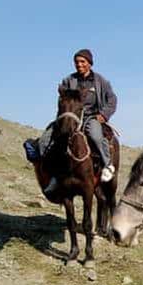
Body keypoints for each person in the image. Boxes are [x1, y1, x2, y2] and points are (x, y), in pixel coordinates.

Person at [24, 49, 117, 195]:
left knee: (96, 136)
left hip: (90, 117)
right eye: (77, 62)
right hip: (69, 117)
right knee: (46, 140)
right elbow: (61, 100)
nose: (79, 65)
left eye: (82, 62)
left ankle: (107, 166)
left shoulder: (100, 81)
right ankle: (54, 176)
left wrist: (104, 115)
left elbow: (112, 99)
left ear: (89, 64)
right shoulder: (69, 80)